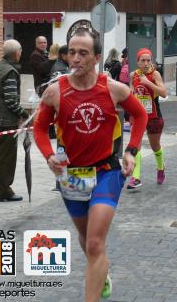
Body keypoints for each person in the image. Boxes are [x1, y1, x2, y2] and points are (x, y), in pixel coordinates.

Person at [33, 28, 148, 301]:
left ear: (96, 57)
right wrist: (49, 155)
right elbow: (38, 128)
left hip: (106, 172)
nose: (75, 58)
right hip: (71, 177)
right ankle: (102, 272)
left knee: (95, 242)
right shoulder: (55, 92)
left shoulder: (113, 89)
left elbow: (140, 115)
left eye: (83, 53)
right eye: (72, 52)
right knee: (87, 242)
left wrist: (131, 151)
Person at [0, 40, 29, 202]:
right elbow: (11, 101)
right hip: (6, 121)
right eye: (20, 51)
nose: (21, 54)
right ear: (16, 53)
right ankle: (4, 191)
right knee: (7, 158)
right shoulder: (10, 72)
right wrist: (24, 114)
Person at [127, 48, 168, 189]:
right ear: (137, 62)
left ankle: (160, 167)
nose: (145, 63)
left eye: (148, 60)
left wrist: (148, 83)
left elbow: (163, 93)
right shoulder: (133, 75)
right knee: (135, 146)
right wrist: (130, 94)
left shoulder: (155, 74)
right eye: (142, 60)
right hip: (138, 116)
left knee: (154, 146)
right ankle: (136, 177)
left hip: (153, 116)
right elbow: (130, 93)